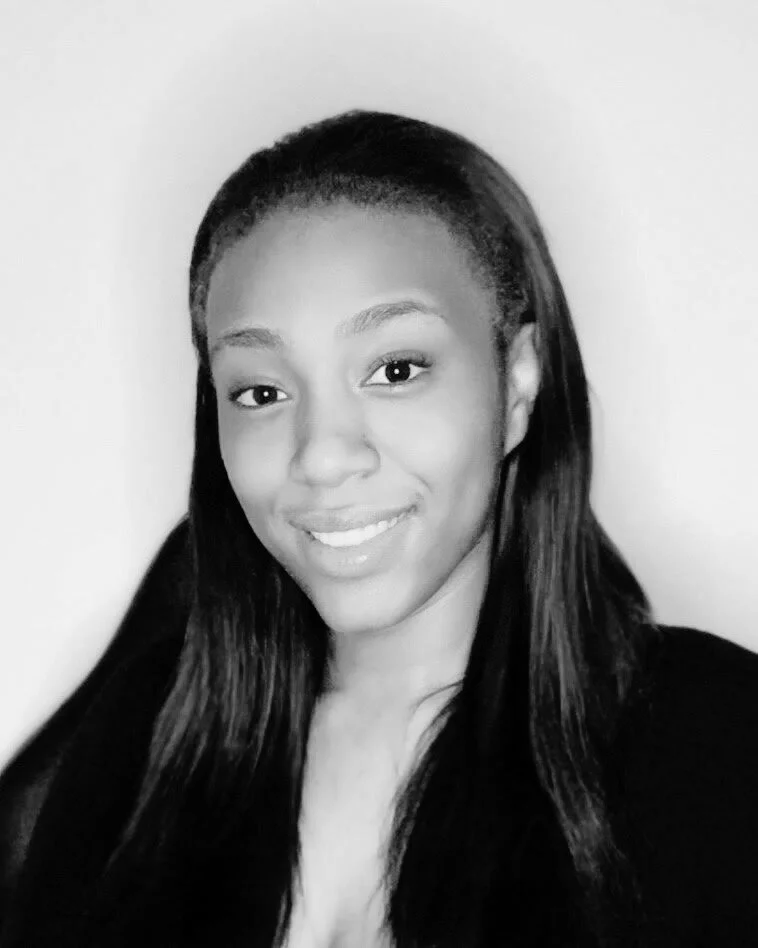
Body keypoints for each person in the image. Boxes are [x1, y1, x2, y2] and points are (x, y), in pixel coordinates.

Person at [1, 109, 757, 948]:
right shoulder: (141, 741)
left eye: (396, 370)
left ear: (517, 384)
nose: (322, 456)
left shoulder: (716, 742)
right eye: (260, 391)